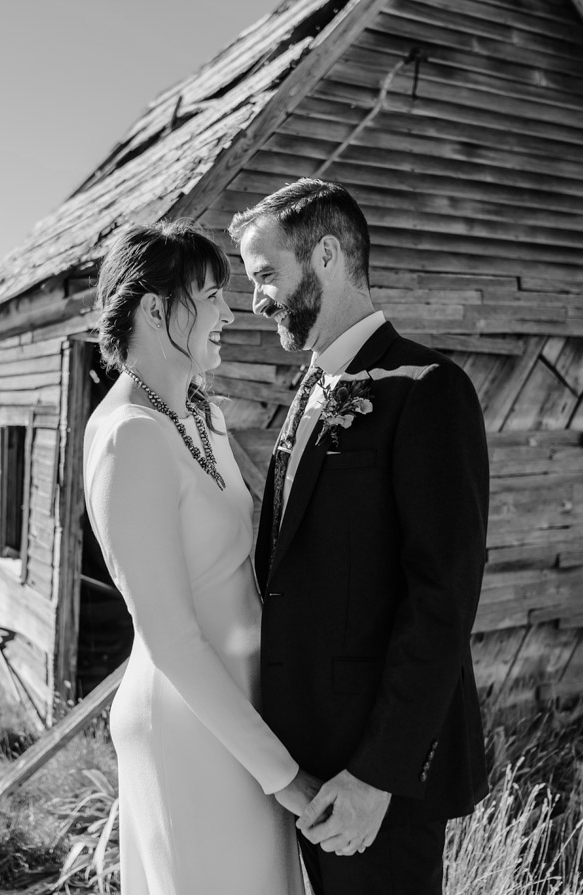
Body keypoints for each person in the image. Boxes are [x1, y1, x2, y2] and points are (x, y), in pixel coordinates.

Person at [230, 179, 490, 895]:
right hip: (302, 770)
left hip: (376, 781)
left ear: (327, 256)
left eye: (264, 274)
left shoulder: (428, 388)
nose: (255, 299)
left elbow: (443, 598)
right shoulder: (308, 391)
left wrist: (377, 776)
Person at [82, 220, 318, 895]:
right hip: (190, 730)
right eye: (211, 294)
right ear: (156, 309)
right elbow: (174, 637)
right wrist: (282, 773)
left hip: (243, 724)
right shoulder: (129, 437)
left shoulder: (198, 414)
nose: (229, 310)